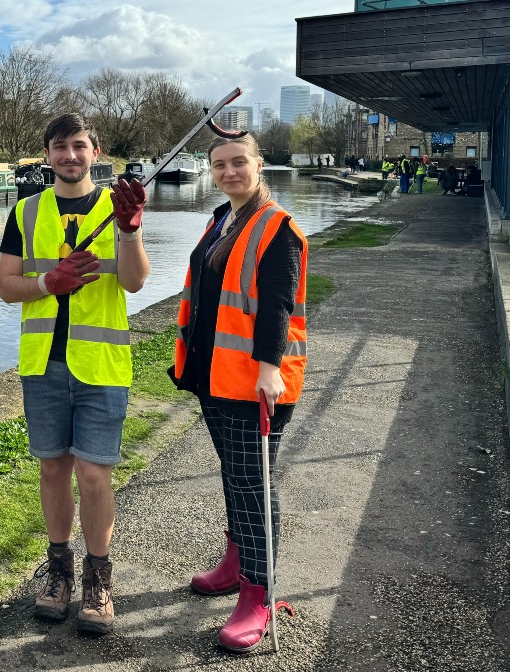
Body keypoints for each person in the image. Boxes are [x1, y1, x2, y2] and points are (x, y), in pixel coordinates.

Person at [0, 114, 150, 635]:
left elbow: (133, 283)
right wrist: (48, 281)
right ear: (47, 156)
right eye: (59, 147)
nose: (69, 155)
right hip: (43, 364)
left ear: (95, 150)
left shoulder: (117, 206)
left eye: (78, 146)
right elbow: (7, 287)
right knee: (52, 469)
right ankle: (58, 570)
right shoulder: (26, 211)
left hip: (101, 365)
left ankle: (98, 578)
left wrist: (129, 232)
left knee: (94, 474)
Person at [171, 133, 308, 653]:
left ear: (259, 164)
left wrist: (270, 368)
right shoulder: (221, 220)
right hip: (215, 378)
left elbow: (277, 303)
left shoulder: (278, 228)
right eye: (219, 164)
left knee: (254, 482)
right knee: (234, 473)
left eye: (238, 163)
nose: (229, 172)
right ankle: (236, 561)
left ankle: (260, 593)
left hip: (256, 382)